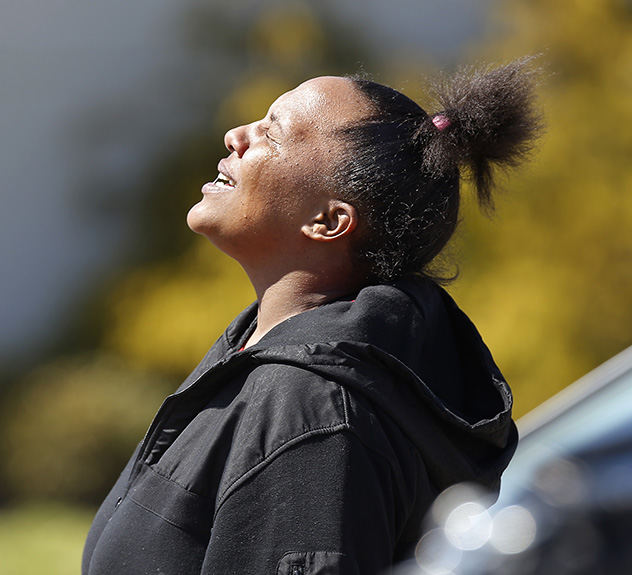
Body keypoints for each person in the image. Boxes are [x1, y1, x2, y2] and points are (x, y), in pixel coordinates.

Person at [82, 59, 541, 575]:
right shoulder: (263, 355)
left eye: (272, 132)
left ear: (328, 221)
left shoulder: (310, 414)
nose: (237, 135)